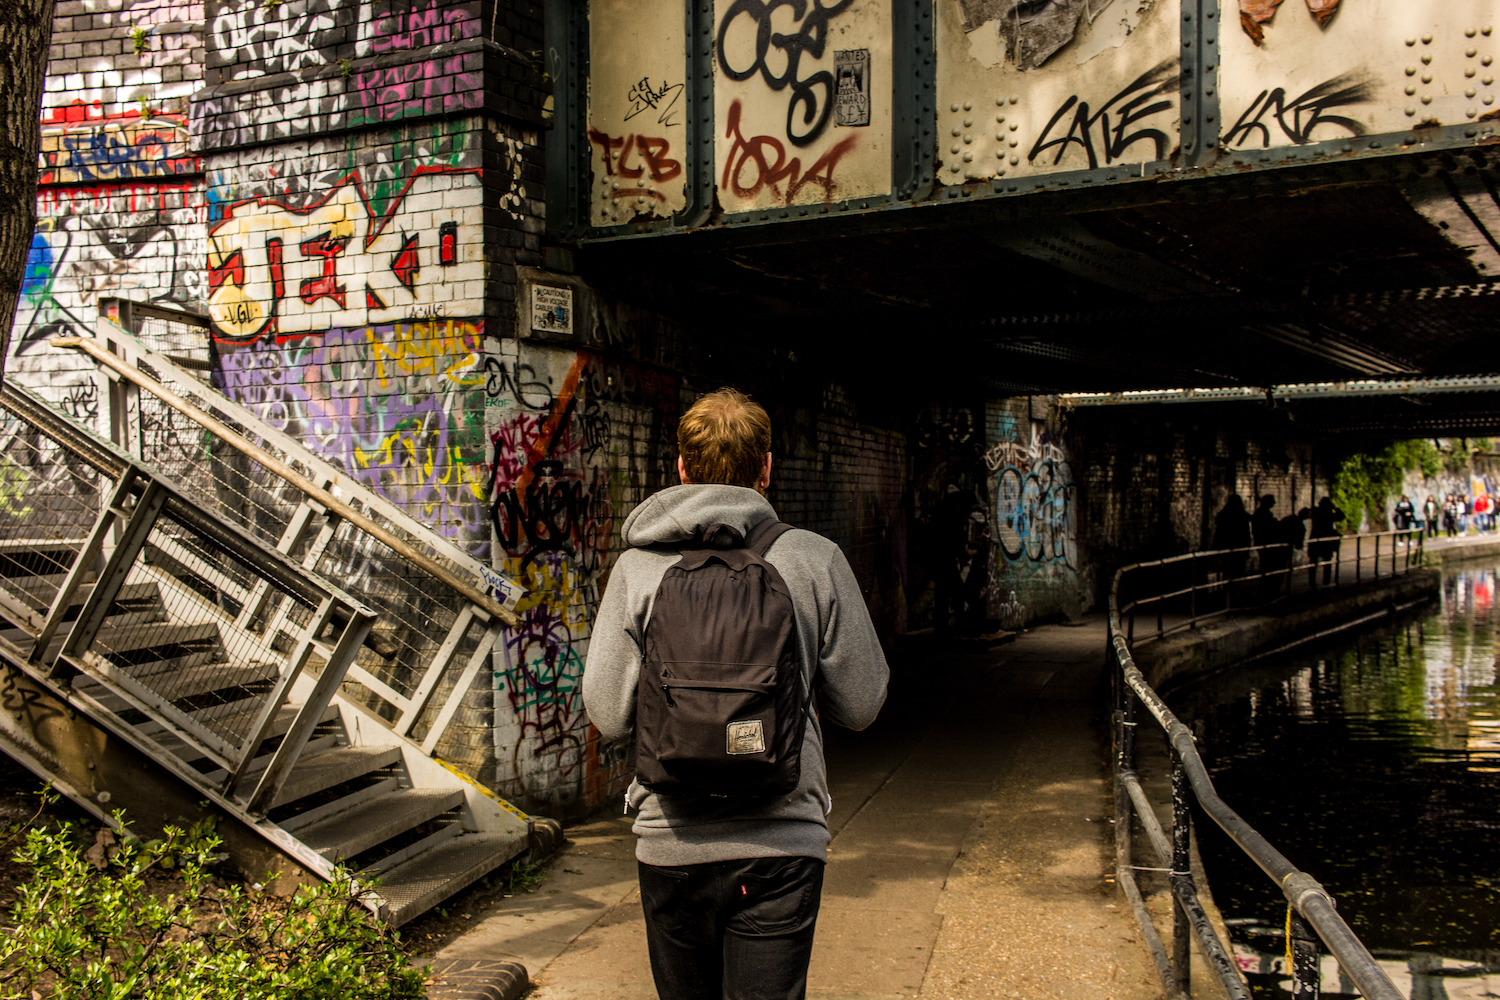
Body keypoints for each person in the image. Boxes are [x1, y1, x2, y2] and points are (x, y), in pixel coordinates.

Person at [582, 388, 890, 1000]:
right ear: (766, 469)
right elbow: (862, 703)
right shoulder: (813, 560)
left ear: (681, 469)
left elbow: (608, 715)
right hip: (782, 846)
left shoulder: (637, 569)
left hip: (672, 845)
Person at [1306, 496, 1343, 586]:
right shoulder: (1329, 514)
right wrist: (1334, 508)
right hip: (1326, 541)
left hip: (1316, 539)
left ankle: (1312, 582)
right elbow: (1341, 516)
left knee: (1314, 561)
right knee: (1326, 562)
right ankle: (1326, 582)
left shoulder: (1316, 512)